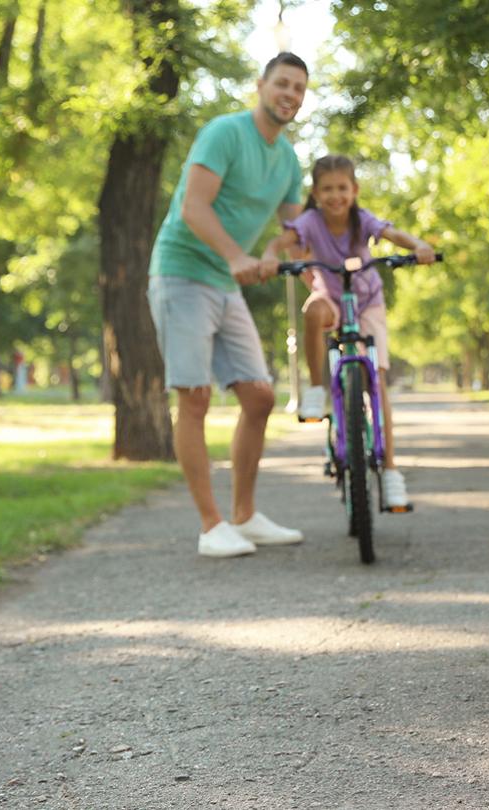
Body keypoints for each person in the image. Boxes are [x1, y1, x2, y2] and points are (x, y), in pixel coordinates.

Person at [147, 52, 313, 559]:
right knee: (194, 397)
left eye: (299, 88)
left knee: (260, 397)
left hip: (224, 280)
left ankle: (244, 515)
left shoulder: (286, 159)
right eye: (282, 83)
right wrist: (238, 255)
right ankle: (210, 524)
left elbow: (295, 230)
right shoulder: (225, 133)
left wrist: (278, 254)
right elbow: (193, 206)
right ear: (261, 85)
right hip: (182, 273)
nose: (290, 94)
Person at [261, 155, 436, 510]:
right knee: (312, 310)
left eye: (342, 188)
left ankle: (390, 472)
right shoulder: (309, 222)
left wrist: (418, 246)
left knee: (378, 382)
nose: (335, 195)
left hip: (367, 302)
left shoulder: (362, 219)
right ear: (316, 192)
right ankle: (315, 389)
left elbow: (392, 234)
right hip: (331, 297)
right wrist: (267, 256)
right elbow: (281, 243)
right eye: (327, 189)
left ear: (354, 190)